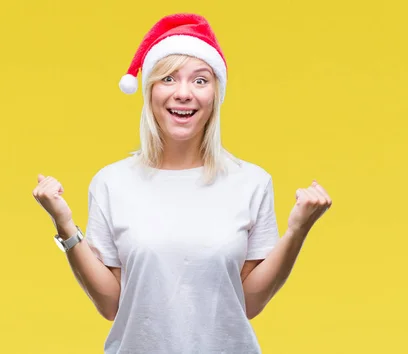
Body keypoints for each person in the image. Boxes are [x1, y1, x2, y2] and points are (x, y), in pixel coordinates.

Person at [32, 13, 332, 354]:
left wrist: (297, 231)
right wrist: (64, 225)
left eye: (201, 81)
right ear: (149, 91)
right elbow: (110, 305)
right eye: (169, 79)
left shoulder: (251, 182)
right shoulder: (111, 183)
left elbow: (248, 303)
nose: (184, 93)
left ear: (216, 94)